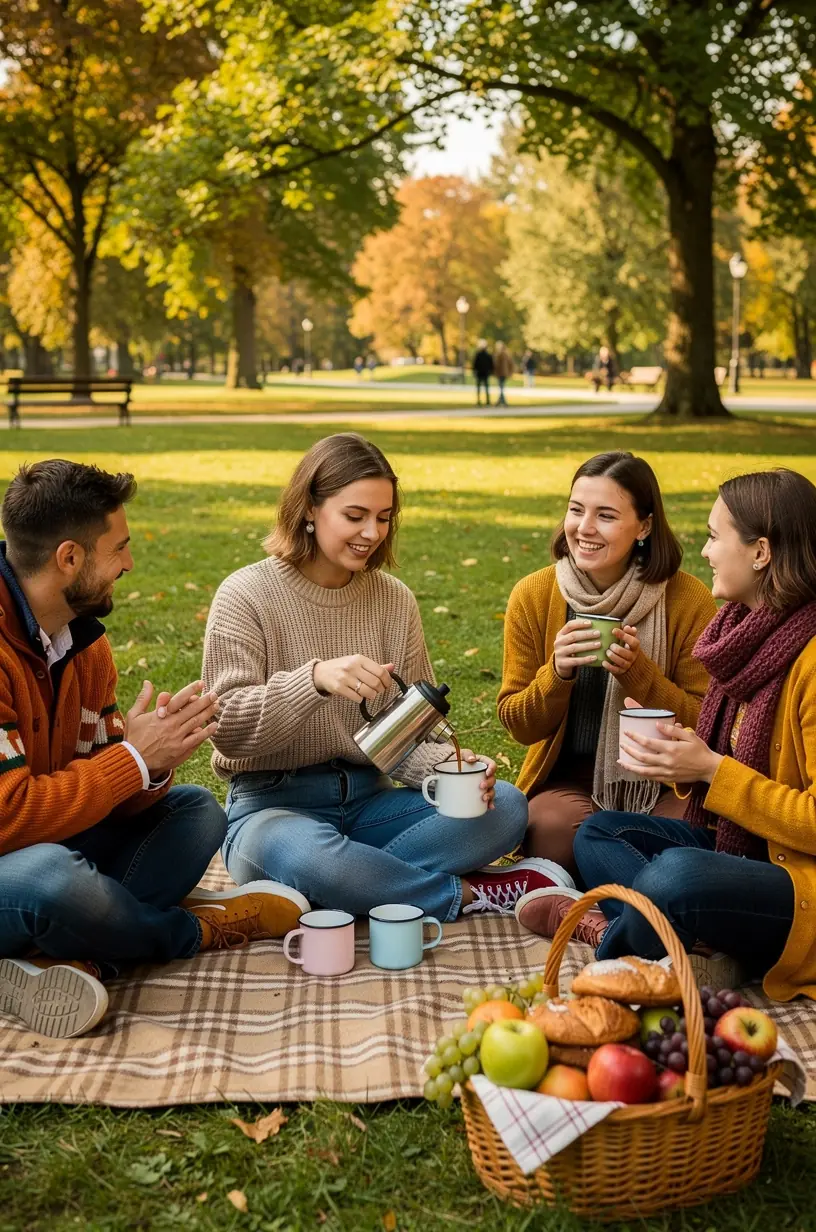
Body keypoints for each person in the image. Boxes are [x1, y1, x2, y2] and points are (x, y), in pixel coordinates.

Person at [202, 433, 570, 925]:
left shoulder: (393, 601)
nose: (371, 533)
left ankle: (353, 882)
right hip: (271, 809)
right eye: (355, 516)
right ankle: (464, 894)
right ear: (309, 509)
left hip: (370, 803)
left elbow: (413, 733)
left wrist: (452, 768)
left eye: (383, 517)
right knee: (309, 855)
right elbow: (226, 727)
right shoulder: (246, 595)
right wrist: (312, 681)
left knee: (504, 806)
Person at [0, 461, 308, 1040]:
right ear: (69, 558)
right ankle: (188, 931)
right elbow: (7, 816)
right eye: (118, 549)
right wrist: (130, 760)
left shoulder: (82, 642)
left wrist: (152, 766)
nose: (129, 564)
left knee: (195, 814)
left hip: (54, 839)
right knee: (53, 879)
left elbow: (101, 789)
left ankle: (66, 958)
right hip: (22, 858)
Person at [555, 469, 816, 1002]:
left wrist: (711, 770)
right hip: (748, 850)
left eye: (716, 536)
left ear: (761, 552)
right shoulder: (741, 637)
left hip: (799, 880)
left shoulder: (810, 661)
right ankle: (693, 947)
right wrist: (683, 757)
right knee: (600, 833)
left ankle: (608, 976)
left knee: (676, 874)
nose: (704, 551)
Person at [499, 451, 717, 936]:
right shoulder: (535, 596)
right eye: (576, 510)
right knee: (551, 830)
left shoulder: (687, 599)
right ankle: (666, 920)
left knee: (692, 842)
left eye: (606, 515)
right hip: (573, 784)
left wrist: (641, 676)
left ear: (643, 527)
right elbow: (518, 723)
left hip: (664, 784)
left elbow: (709, 720)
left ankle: (591, 915)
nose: (585, 527)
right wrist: (557, 673)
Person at [472, 341, 494, 407]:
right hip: (485, 373)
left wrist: (475, 372)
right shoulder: (487, 355)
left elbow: (475, 365)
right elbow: (491, 365)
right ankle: (486, 402)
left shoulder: (479, 354)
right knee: (485, 388)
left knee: (480, 388)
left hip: (480, 373)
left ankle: (480, 402)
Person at [494, 342, 514, 406]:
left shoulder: (500, 355)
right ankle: (500, 401)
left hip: (501, 374)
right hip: (504, 374)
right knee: (501, 388)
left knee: (501, 388)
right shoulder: (507, 355)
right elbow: (511, 364)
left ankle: (502, 401)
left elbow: (497, 365)